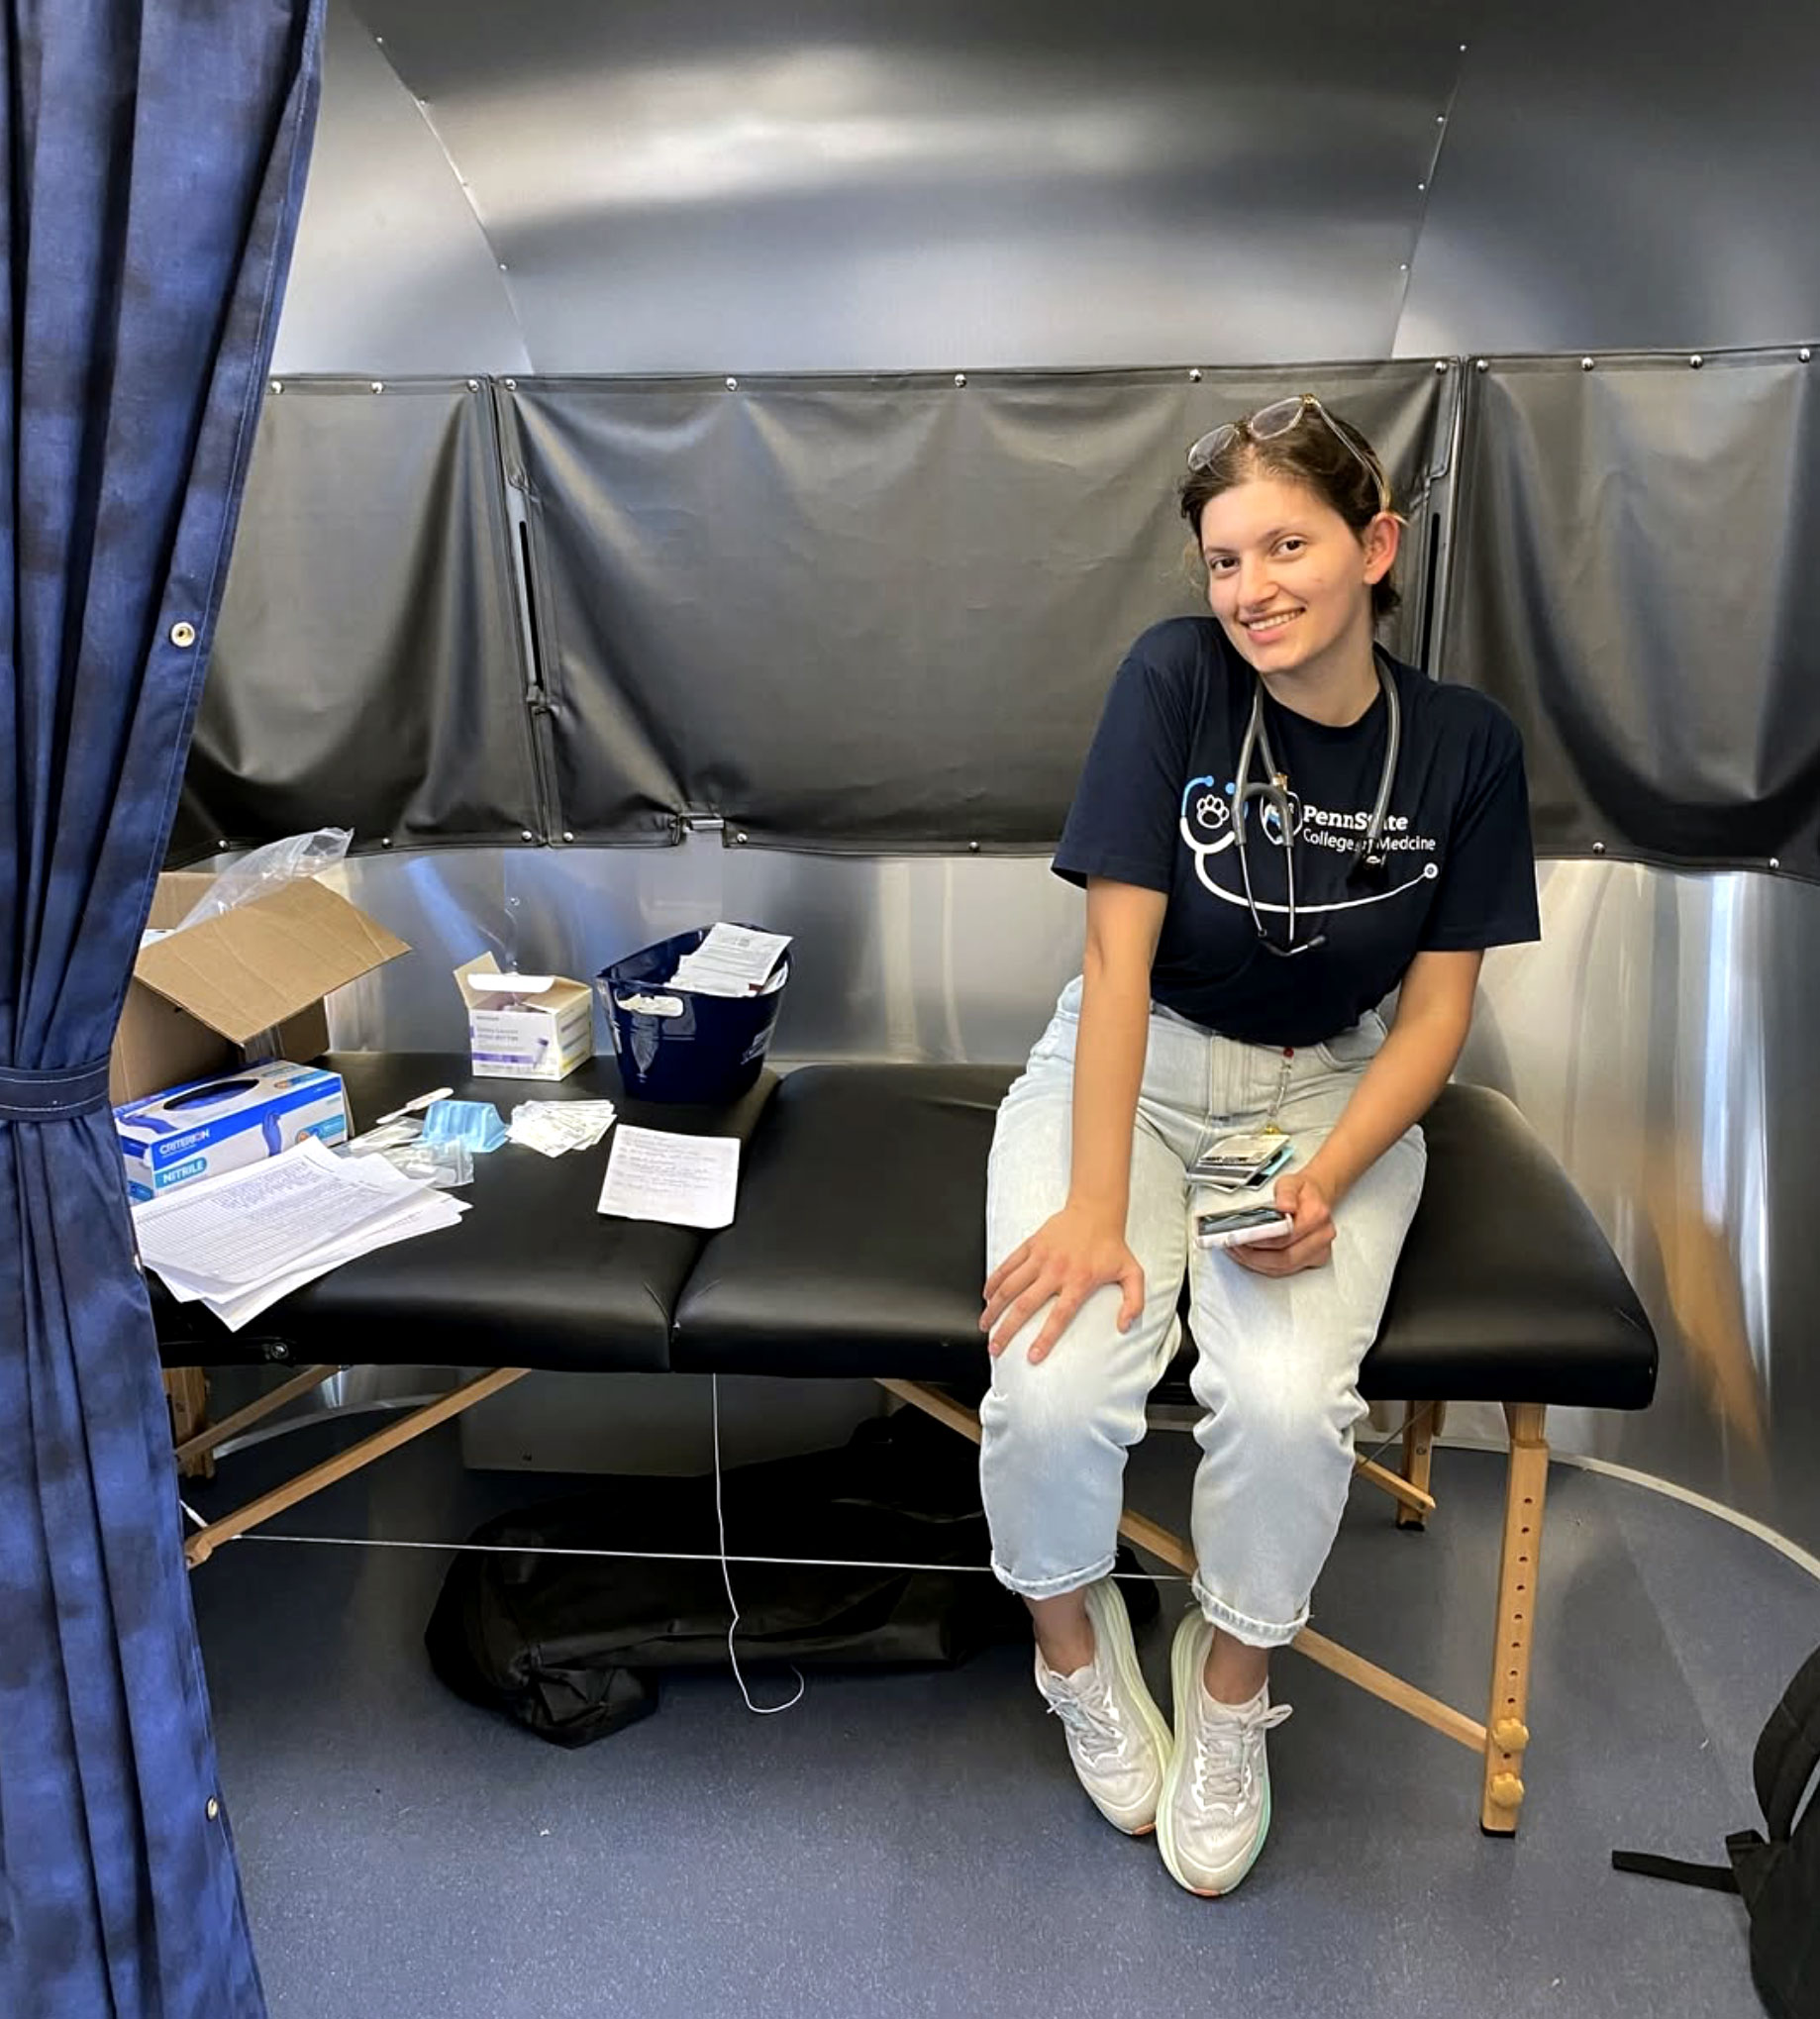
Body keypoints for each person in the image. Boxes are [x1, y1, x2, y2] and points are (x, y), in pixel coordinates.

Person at [975, 394, 1540, 1896]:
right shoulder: (1173, 683)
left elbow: (1432, 1021)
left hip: (1330, 1093)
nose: (1250, 591)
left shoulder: (1466, 749)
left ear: (1374, 546)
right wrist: (1096, 1204)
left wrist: (1328, 1175)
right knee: (1050, 1379)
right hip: (1136, 1069)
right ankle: (1075, 1659)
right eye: (1223, 560)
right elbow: (1111, 964)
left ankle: (1229, 1694)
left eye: (1283, 545)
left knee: (1291, 1404)